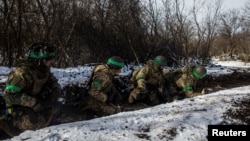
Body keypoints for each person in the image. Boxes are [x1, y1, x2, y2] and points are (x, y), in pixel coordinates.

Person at [2, 41, 63, 132]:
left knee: (61, 114)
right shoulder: (21, 74)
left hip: (37, 105)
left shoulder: (43, 70)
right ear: (39, 60)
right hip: (16, 110)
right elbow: (9, 96)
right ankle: (6, 125)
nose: (52, 62)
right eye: (49, 59)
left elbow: (54, 83)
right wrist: (34, 103)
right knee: (40, 125)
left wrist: (55, 93)